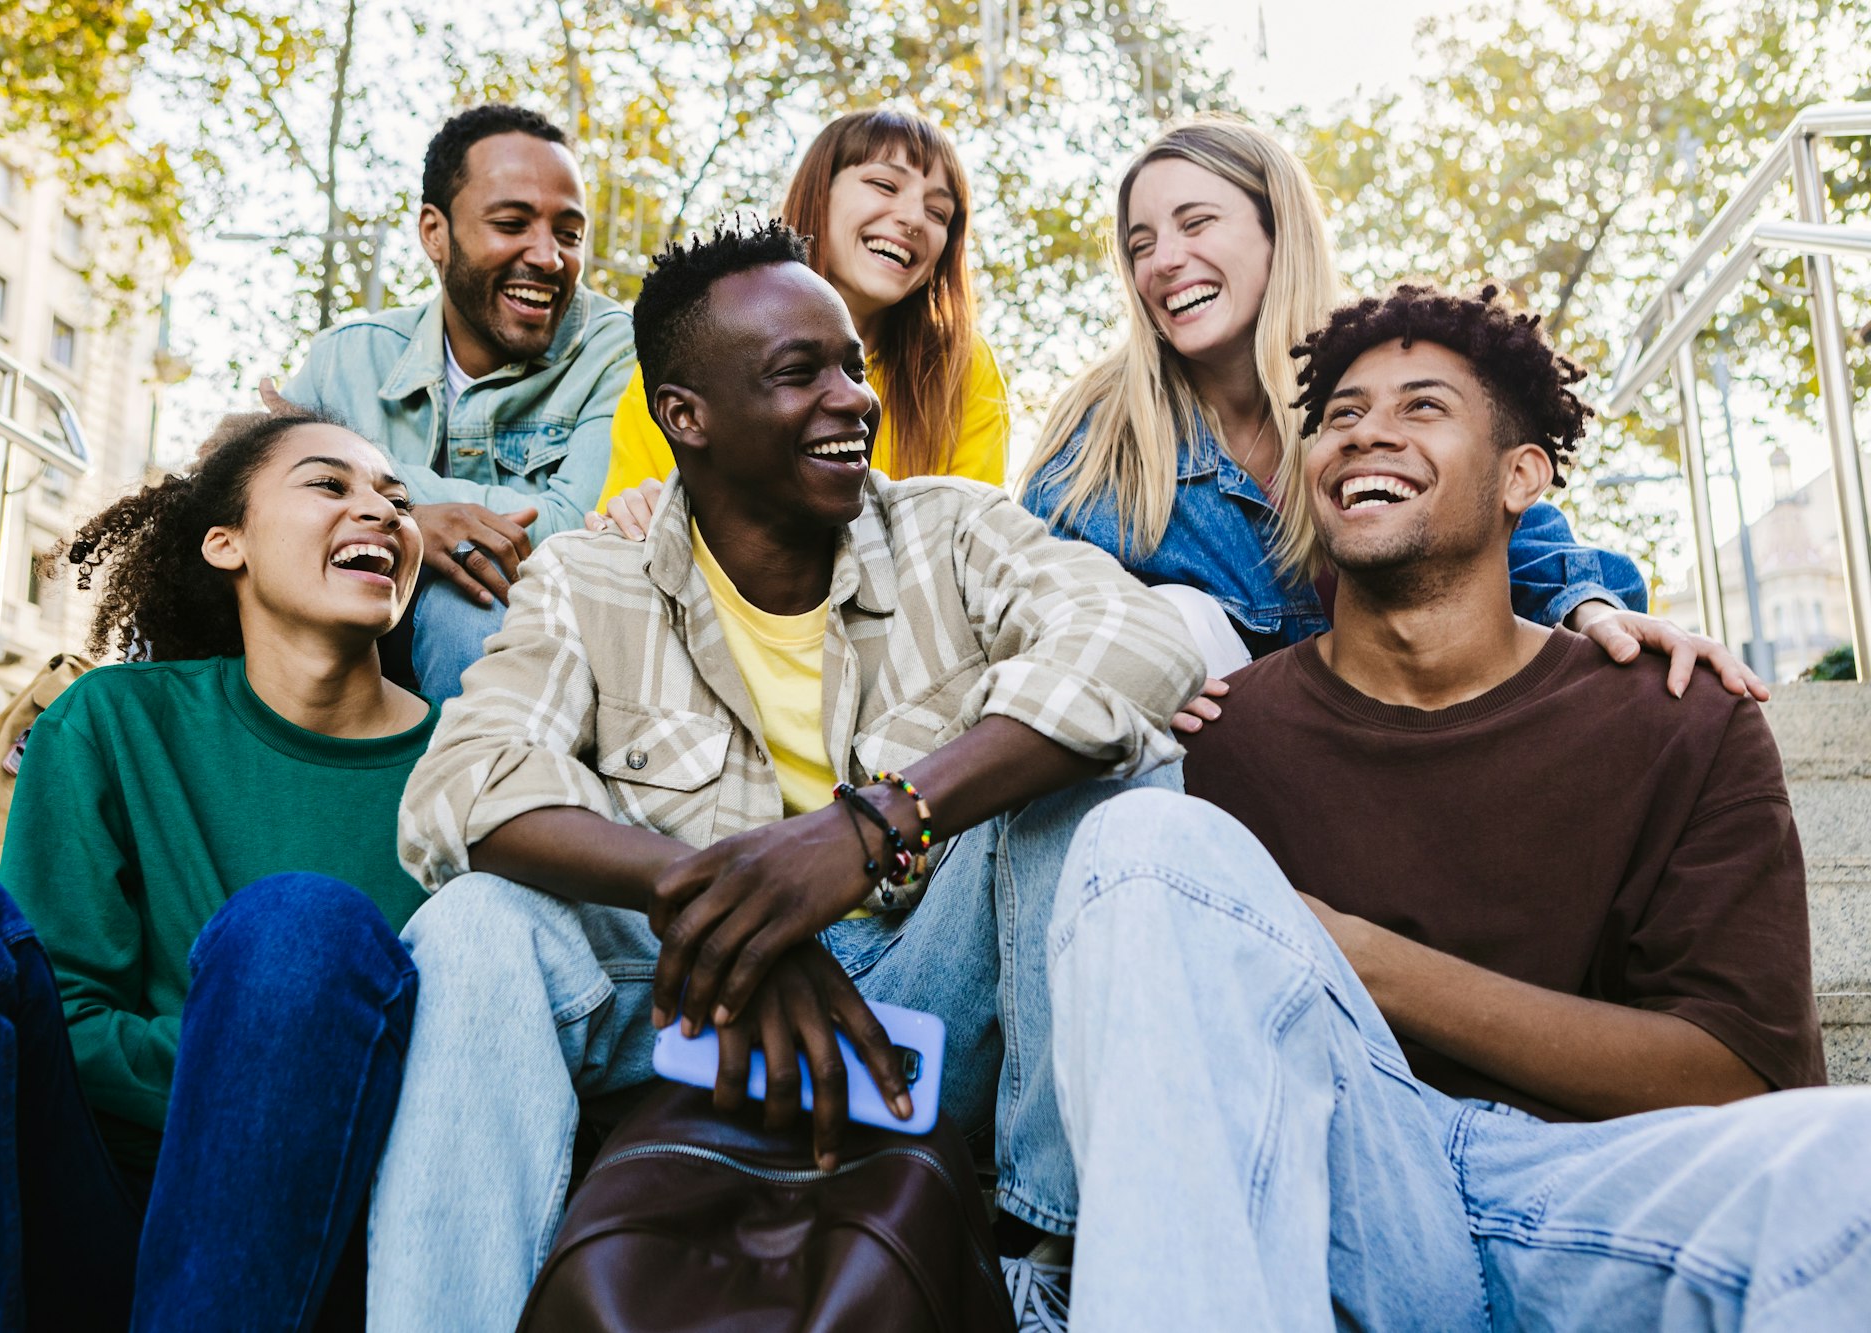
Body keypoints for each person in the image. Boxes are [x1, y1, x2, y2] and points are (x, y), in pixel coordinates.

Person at [367, 221, 1205, 1331]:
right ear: (685, 418)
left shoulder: (947, 527)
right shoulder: (590, 576)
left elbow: (1140, 645)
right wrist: (728, 906)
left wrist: (866, 828)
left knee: (1103, 790)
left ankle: (1043, 1259)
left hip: (926, 996)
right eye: (796, 372)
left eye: (850, 366)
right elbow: (460, 787)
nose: (852, 399)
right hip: (695, 1006)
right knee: (476, 922)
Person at [1047, 285, 1870, 1332]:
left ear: (1521, 474)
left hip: (1583, 1192)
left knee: (1851, 1159)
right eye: (1339, 415)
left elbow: (1732, 1081)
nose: (1366, 433)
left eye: (1420, 406)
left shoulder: (1679, 718)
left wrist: (1347, 953)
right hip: (1340, 1184)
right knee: (1134, 831)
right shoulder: (1222, 740)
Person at [0, 412, 438, 1329]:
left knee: (300, 928)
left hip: (321, 1232)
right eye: (331, 486)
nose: (380, 510)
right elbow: (69, 1021)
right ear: (228, 543)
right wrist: (270, 1052)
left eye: (398, 500)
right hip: (86, 1204)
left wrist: (285, 1041)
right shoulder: (111, 721)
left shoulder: (476, 767)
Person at [1020, 116, 1763, 713]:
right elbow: (1035, 615)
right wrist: (1133, 676)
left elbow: (1489, 508)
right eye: (1141, 243)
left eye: (1195, 223)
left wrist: (1591, 608)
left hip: (1388, 738)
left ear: (1278, 231)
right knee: (1179, 618)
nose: (1164, 261)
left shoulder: (1378, 371)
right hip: (1207, 766)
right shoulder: (1100, 441)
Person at [272, 104, 635, 702]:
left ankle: (482, 794)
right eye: (513, 224)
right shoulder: (346, 358)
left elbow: (579, 530)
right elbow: (265, 518)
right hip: (343, 632)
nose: (548, 257)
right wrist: (409, 525)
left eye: (569, 234)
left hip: (535, 653)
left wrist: (397, 510)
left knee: (468, 599)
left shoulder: (617, 349)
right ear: (434, 234)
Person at [589, 107, 1009, 539]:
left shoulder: (963, 366)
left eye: (939, 213)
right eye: (885, 185)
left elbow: (969, 538)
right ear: (819, 192)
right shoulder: (695, 347)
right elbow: (632, 512)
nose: (914, 219)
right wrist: (633, 511)